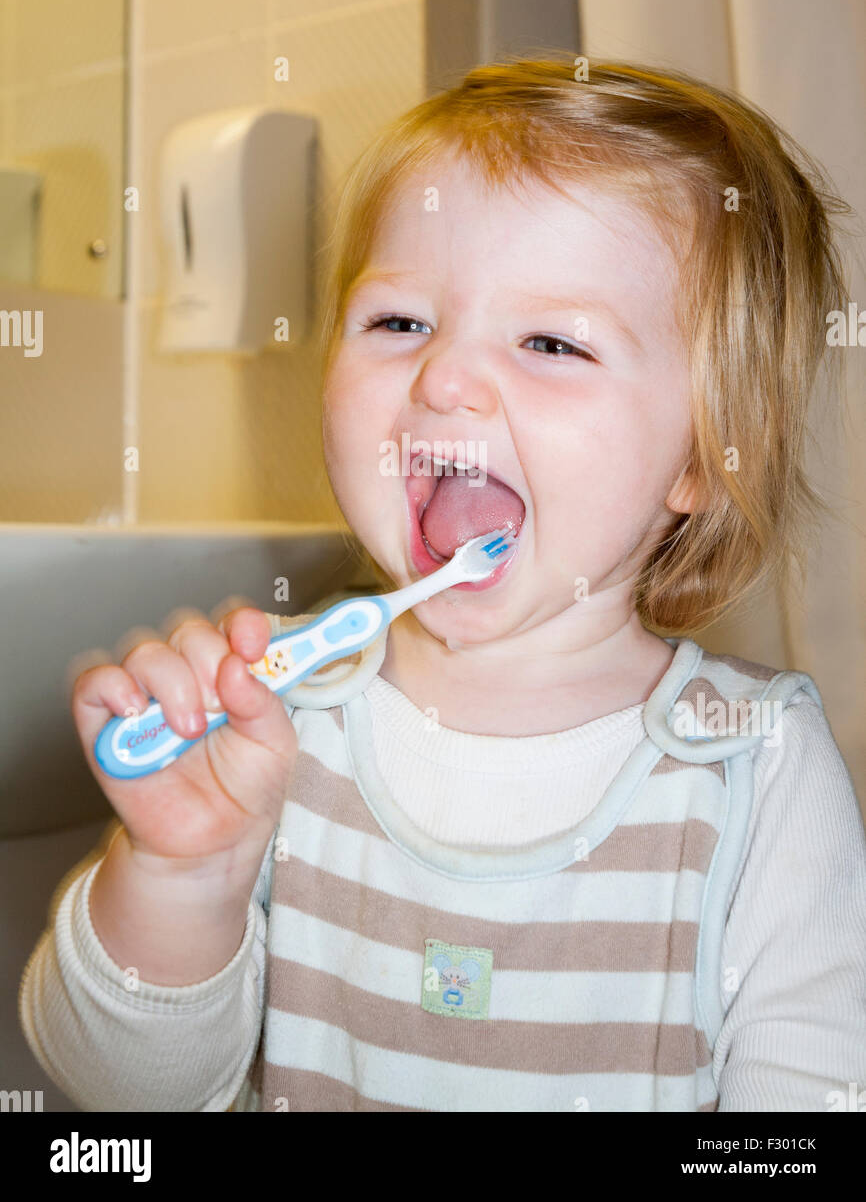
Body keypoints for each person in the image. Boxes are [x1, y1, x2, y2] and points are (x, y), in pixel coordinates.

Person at [19, 56, 866, 1112]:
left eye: (551, 342)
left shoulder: (755, 767)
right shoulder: (273, 720)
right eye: (400, 323)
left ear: (703, 454)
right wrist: (185, 877)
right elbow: (121, 1094)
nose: (446, 378)